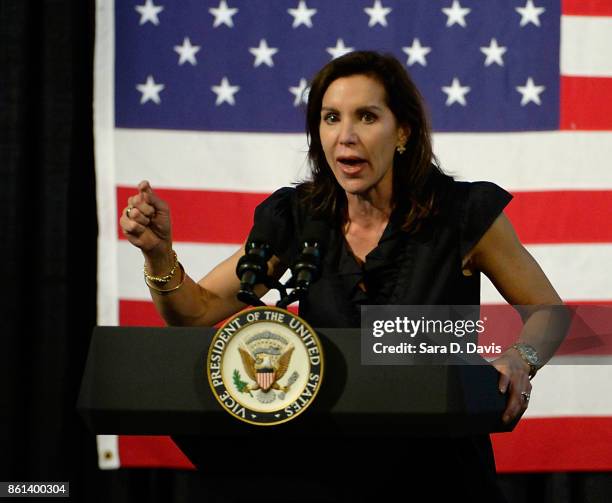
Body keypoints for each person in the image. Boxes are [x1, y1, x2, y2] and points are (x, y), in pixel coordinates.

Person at [119, 51, 566, 501]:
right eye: (331, 118)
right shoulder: (299, 217)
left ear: (403, 132)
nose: (345, 136)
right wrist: (158, 254)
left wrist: (519, 358)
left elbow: (552, 312)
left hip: (440, 475)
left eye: (366, 116)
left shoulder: (463, 214)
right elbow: (194, 312)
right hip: (322, 472)